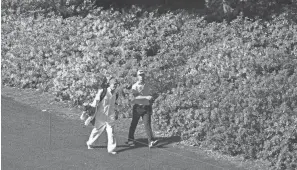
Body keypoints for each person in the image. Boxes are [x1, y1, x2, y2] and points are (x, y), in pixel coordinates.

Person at [86, 77, 119, 154]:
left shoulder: (116, 94)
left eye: (116, 84)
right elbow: (95, 102)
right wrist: (91, 113)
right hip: (101, 115)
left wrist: (116, 112)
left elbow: (115, 104)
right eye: (114, 84)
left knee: (111, 132)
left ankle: (111, 149)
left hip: (110, 116)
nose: (115, 85)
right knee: (97, 130)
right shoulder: (103, 91)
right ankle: (90, 143)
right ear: (110, 84)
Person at [126, 70, 158, 148]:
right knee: (134, 124)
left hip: (146, 107)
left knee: (147, 124)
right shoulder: (134, 86)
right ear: (137, 76)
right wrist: (146, 97)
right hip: (137, 107)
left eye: (143, 75)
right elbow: (136, 96)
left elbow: (151, 94)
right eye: (140, 75)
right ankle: (130, 140)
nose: (141, 77)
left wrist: (152, 98)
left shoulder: (147, 85)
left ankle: (151, 141)